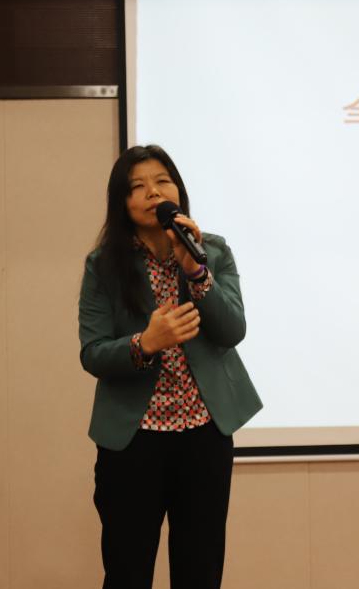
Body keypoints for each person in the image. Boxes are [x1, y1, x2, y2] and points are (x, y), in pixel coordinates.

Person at [78, 144, 263, 589]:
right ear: (121, 202)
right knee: (127, 572)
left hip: (203, 436)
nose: (153, 192)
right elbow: (93, 352)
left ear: (178, 190)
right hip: (133, 440)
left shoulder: (212, 251)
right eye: (137, 186)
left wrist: (196, 272)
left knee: (200, 571)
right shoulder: (104, 265)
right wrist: (145, 343)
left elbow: (232, 330)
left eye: (162, 181)